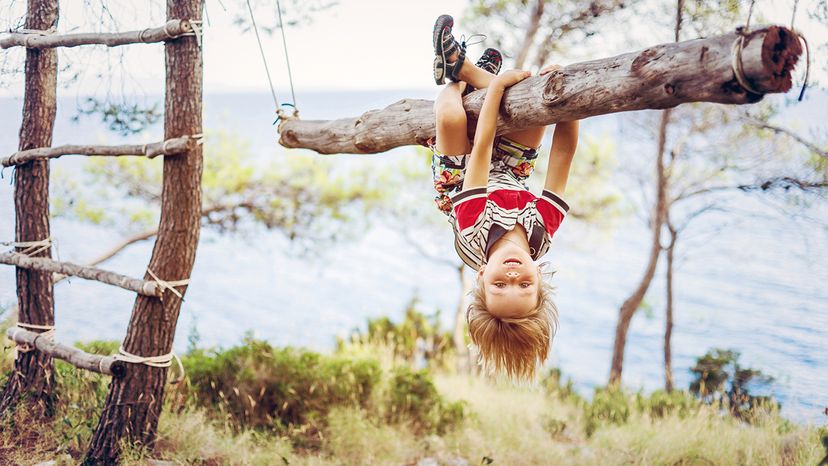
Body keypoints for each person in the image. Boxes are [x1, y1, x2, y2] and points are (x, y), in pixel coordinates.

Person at [431, 14, 579, 380]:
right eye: (524, 284)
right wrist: (565, 100)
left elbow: (480, 150)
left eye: (500, 284)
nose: (513, 275)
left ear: (481, 276)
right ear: (539, 279)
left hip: (461, 180)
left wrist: (496, 88)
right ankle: (464, 69)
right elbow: (562, 159)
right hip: (512, 174)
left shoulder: (474, 230)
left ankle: (461, 75)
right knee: (534, 110)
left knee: (450, 111)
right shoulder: (542, 232)